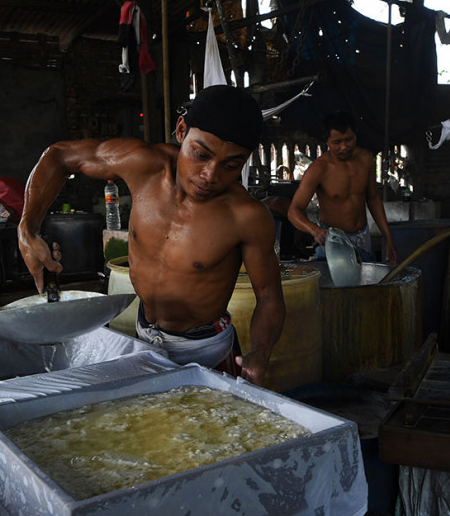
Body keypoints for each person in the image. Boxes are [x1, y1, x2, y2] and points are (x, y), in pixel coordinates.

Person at [17, 85, 286, 385]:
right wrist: (26, 229)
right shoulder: (141, 164)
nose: (210, 175)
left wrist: (261, 353)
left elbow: (269, 296)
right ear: (181, 130)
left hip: (207, 351)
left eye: (231, 165)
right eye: (200, 154)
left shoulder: (246, 216)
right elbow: (59, 156)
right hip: (143, 337)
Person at [287, 111, 398, 263]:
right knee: (332, 285)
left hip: (362, 239)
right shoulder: (318, 169)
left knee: (367, 283)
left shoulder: (366, 159)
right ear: (327, 141)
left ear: (356, 136)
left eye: (349, 140)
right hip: (332, 242)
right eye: (337, 142)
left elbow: (373, 199)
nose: (344, 147)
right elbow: (293, 211)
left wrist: (388, 237)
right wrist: (315, 230)